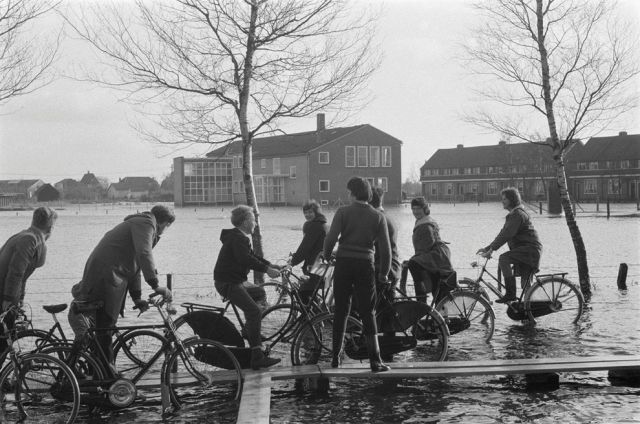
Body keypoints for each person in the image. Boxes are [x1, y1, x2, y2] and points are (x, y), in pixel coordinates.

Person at [68, 205, 174, 373]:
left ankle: (97, 375)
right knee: (105, 330)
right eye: (167, 227)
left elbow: (134, 265)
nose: (164, 232)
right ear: (164, 223)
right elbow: (144, 254)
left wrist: (137, 297)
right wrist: (155, 285)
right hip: (106, 278)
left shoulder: (140, 224)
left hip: (107, 277)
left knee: (103, 330)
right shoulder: (146, 224)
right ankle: (106, 379)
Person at [323, 177, 391, 372]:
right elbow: (384, 250)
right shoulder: (378, 216)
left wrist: (327, 256)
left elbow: (331, 238)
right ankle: (375, 360)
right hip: (365, 265)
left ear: (352, 193)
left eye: (348, 192)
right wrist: (383, 273)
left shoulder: (343, 212)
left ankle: (335, 357)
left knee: (341, 310)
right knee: (368, 311)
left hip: (344, 264)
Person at [213, 205, 282, 370]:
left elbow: (251, 256)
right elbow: (245, 259)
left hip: (231, 280)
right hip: (229, 283)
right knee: (255, 312)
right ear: (245, 222)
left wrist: (270, 265)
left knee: (258, 292)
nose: (255, 224)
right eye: (253, 220)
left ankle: (247, 330)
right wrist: (267, 270)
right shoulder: (239, 238)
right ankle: (257, 357)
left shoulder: (238, 236)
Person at [0, 207, 58, 356]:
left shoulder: (26, 235)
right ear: (51, 227)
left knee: (5, 339)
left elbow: (23, 275)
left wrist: (19, 300)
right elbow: (16, 272)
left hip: (7, 291)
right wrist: (8, 300)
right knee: (3, 340)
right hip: (3, 292)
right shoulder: (31, 240)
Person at [476, 187, 542, 303]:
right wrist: (488, 248)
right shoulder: (514, 214)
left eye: (505, 199)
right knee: (526, 285)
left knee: (504, 259)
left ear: (512, 200)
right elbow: (502, 233)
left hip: (529, 250)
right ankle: (529, 314)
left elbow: (507, 234)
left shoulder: (517, 215)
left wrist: (491, 250)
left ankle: (511, 294)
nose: (502, 201)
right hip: (528, 250)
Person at [407, 197, 456, 305]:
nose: (415, 211)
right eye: (413, 209)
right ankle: (438, 314)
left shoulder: (425, 225)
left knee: (413, 264)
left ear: (424, 208)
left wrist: (415, 259)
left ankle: (421, 303)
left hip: (436, 257)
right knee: (436, 290)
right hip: (436, 256)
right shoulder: (423, 221)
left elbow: (427, 245)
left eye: (418, 208)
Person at [288, 200, 329, 304]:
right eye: (305, 212)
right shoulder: (322, 224)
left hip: (316, 266)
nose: (307, 215)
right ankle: (316, 318)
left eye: (310, 212)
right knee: (310, 294)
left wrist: (292, 262)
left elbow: (305, 247)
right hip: (322, 264)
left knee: (303, 292)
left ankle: (315, 319)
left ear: (316, 212)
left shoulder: (315, 226)